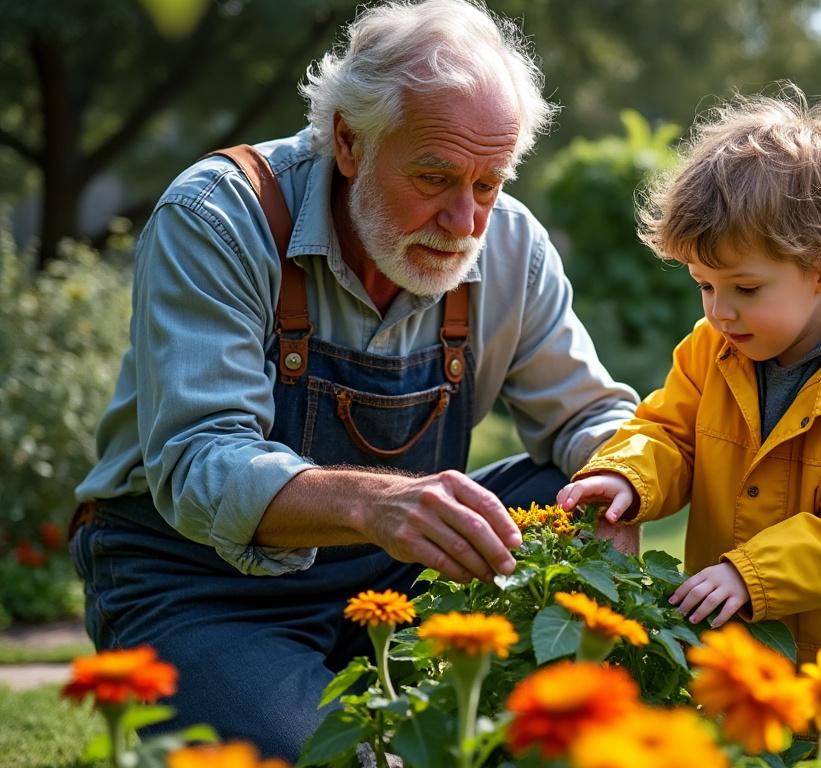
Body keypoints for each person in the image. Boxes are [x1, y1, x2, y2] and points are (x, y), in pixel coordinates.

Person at [69, 0, 638, 760]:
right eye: (435, 177)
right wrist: (377, 502)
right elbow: (198, 463)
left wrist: (622, 477)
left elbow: (590, 416)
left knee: (568, 497)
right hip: (198, 586)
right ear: (347, 139)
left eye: (489, 183)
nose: (466, 222)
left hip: (401, 577)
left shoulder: (510, 245)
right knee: (330, 756)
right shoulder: (220, 216)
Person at [557, 88, 821, 753]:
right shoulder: (711, 350)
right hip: (751, 672)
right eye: (704, 285)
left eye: (745, 289)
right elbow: (667, 431)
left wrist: (752, 574)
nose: (720, 310)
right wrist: (626, 477)